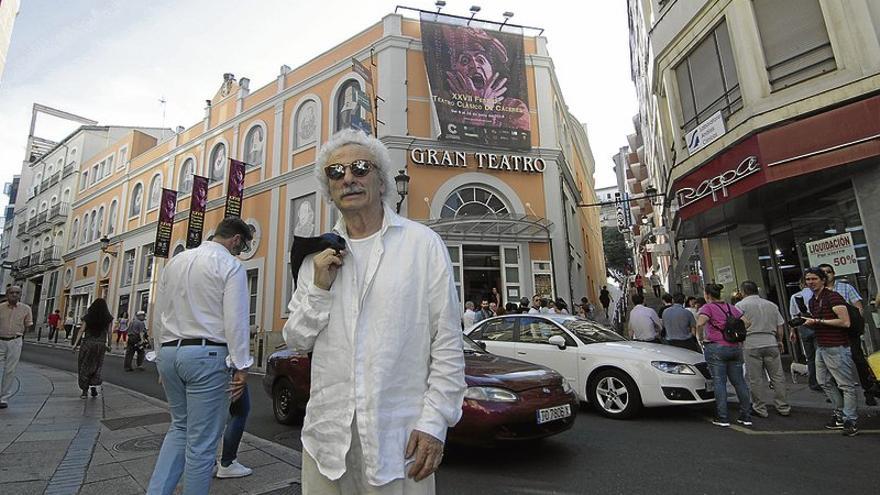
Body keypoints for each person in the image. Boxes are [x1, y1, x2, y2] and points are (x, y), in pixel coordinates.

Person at [284, 129, 465, 493]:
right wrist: (319, 287)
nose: (348, 178)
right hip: (327, 442)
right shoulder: (315, 259)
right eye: (336, 173)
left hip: (399, 442)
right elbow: (297, 339)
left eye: (361, 168)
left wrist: (434, 423)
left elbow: (446, 342)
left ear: (382, 180)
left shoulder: (421, 245)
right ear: (328, 188)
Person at [146, 217, 254, 494]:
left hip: (170, 351)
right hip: (207, 354)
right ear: (236, 240)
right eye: (240, 248)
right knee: (202, 444)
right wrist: (242, 365)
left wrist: (159, 355)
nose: (238, 253)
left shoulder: (176, 261)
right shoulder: (230, 266)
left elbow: (159, 313)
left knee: (179, 428)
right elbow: (236, 320)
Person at [801, 267, 857, 436]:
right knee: (823, 381)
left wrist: (817, 320)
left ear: (823, 280)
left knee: (845, 385)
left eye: (814, 279)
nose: (811, 282)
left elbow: (845, 322)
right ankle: (840, 413)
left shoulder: (833, 297)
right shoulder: (812, 300)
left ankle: (850, 420)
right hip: (822, 345)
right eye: (808, 279)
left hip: (837, 346)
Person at [817, 264, 875, 406]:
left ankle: (869, 390)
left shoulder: (846, 288)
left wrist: (855, 324)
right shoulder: (818, 293)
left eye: (828, 272)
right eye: (823, 273)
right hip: (831, 333)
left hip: (848, 331)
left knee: (858, 359)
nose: (826, 275)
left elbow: (858, 307)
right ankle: (839, 394)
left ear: (833, 273)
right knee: (834, 365)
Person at [696, 283, 752, 428]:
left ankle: (723, 417)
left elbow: (700, 323)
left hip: (716, 347)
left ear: (707, 295)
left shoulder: (707, 307)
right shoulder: (730, 307)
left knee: (719, 382)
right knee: (739, 382)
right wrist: (732, 331)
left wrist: (702, 338)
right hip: (735, 347)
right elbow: (747, 322)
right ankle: (746, 416)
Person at [735, 281, 790, 418]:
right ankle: (782, 406)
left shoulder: (740, 306)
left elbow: (737, 325)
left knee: (755, 378)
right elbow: (780, 326)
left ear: (743, 292)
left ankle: (760, 407)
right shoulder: (771, 305)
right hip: (770, 341)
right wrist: (779, 340)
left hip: (751, 343)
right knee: (777, 376)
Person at [72, 299, 113, 399]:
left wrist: (75, 344)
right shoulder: (108, 318)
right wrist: (109, 345)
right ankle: (94, 386)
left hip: (88, 344)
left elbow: (81, 330)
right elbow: (109, 333)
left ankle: (84, 391)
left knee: (84, 366)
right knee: (97, 366)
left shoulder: (88, 317)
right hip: (100, 345)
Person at [0, 286, 32, 409]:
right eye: (12, 293)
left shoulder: (26, 309)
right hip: (0, 340)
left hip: (15, 341)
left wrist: (20, 338)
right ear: (7, 294)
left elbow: (28, 325)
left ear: (20, 295)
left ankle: (4, 398)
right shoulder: (1, 308)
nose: (14, 295)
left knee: (10, 370)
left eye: (17, 293)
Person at [789, 279, 822, 391]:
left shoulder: (795, 296)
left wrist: (792, 331)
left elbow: (793, 316)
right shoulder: (817, 294)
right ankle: (824, 381)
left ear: (801, 284)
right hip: (817, 324)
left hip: (804, 326)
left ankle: (813, 382)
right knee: (821, 355)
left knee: (810, 357)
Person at [216, 383, 253, 479]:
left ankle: (208, 463)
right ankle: (228, 462)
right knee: (239, 412)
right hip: (229, 371)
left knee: (210, 413)